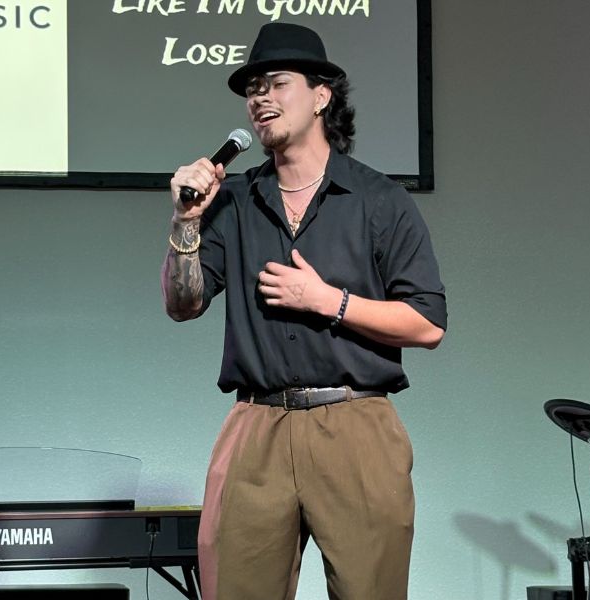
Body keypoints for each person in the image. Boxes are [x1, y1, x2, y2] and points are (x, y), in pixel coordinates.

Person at [161, 22, 447, 600]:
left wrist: (329, 302)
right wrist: (185, 223)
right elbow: (182, 304)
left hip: (355, 423)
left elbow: (428, 323)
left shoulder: (378, 200)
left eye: (276, 84)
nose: (260, 97)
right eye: (252, 88)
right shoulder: (235, 201)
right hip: (257, 426)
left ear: (322, 96)